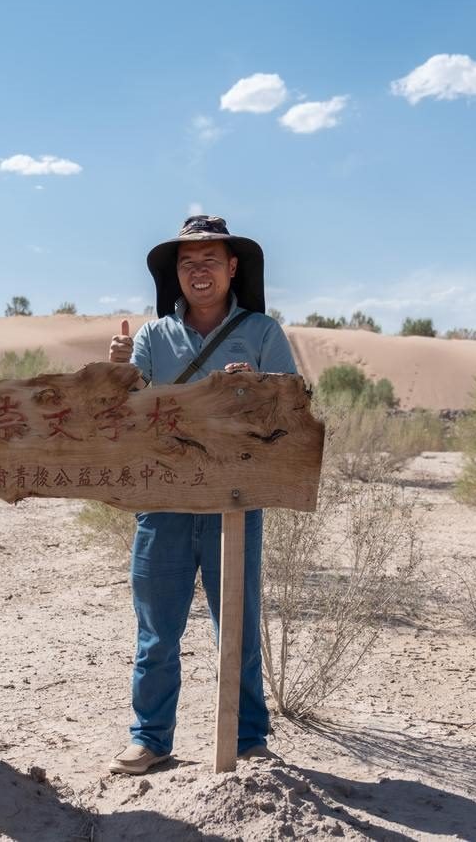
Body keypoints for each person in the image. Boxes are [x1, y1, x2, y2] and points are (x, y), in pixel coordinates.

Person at [106, 214, 297, 775]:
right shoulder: (152, 337)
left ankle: (248, 739)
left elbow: (292, 410)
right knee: (156, 630)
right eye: (187, 263)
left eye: (210, 260)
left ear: (233, 267)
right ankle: (149, 739)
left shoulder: (262, 333)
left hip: (233, 501)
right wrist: (114, 372)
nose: (198, 271)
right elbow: (125, 412)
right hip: (162, 500)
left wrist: (255, 389)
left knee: (235, 626)